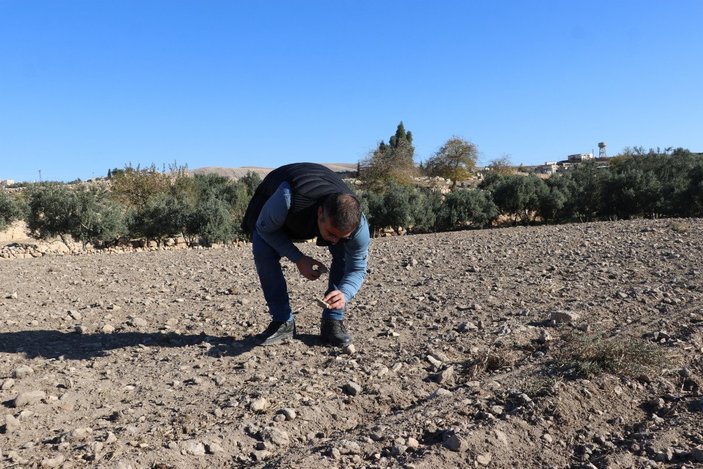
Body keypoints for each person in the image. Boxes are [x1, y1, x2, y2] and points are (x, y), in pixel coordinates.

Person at [241, 163, 370, 347]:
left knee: (343, 251)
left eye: (342, 236)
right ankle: (282, 321)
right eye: (331, 234)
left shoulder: (358, 226)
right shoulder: (286, 198)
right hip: (277, 203)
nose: (334, 241)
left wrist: (344, 294)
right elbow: (265, 230)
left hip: (311, 202)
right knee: (263, 248)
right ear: (320, 214)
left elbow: (357, 267)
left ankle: (332, 321)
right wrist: (299, 259)